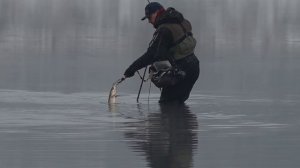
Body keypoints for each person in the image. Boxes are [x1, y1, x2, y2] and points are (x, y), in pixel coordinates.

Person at [124, 2, 199, 104]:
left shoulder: (164, 30)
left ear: (157, 13)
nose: (149, 22)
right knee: (178, 104)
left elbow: (151, 55)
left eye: (149, 17)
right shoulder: (182, 21)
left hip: (180, 72)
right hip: (194, 68)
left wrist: (131, 69)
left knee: (167, 105)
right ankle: (185, 120)